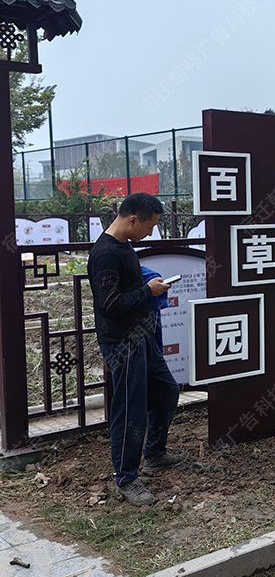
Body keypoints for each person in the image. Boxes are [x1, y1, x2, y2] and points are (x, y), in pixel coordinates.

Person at [87, 193, 183, 506]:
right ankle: (126, 478)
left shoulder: (124, 245)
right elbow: (110, 304)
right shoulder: (105, 254)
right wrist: (147, 290)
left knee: (167, 391)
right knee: (130, 411)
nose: (150, 233)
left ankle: (155, 453)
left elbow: (127, 286)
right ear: (132, 220)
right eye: (149, 226)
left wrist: (149, 284)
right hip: (123, 343)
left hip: (143, 337)